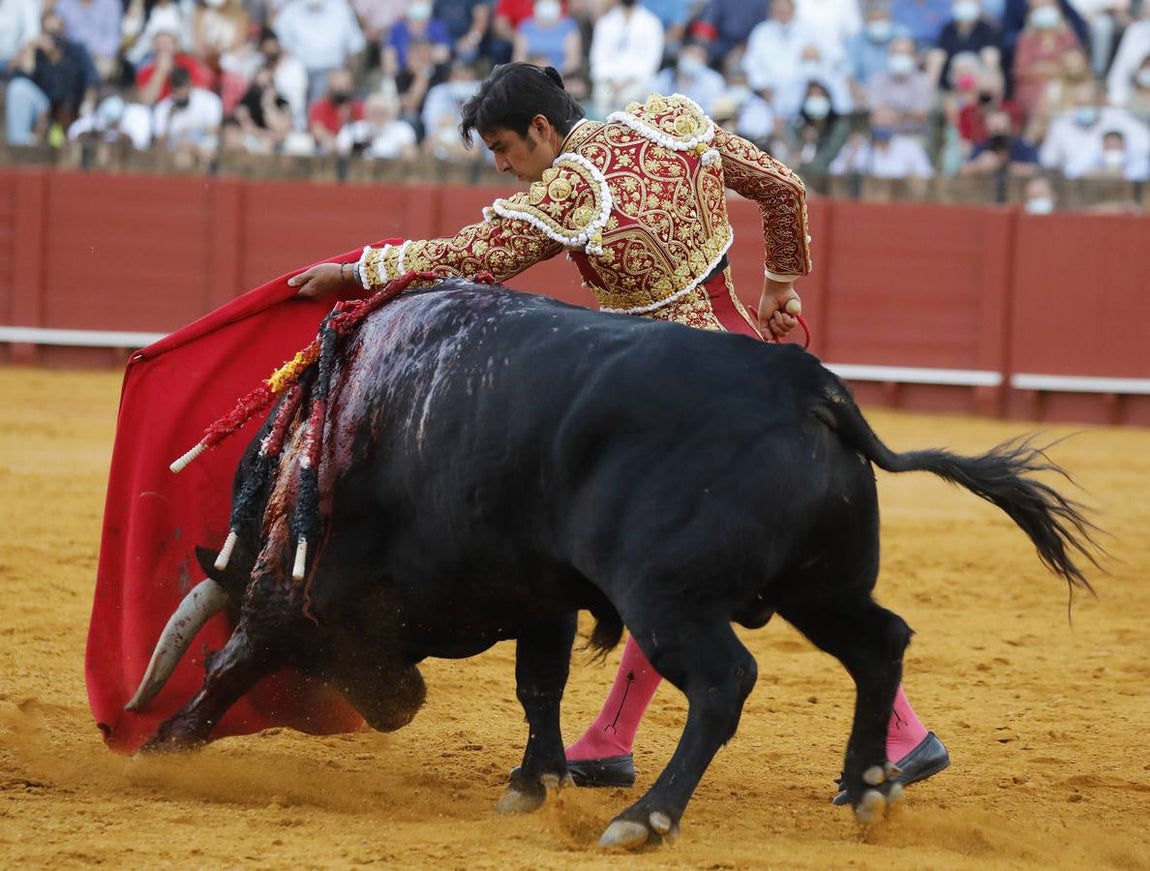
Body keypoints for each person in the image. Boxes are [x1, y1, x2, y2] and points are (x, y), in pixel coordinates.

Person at [287, 62, 951, 800]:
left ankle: (900, 728)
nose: (504, 168)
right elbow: (784, 188)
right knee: (685, 569)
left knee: (664, 567)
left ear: (543, 128)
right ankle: (612, 737)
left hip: (679, 406)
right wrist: (779, 284)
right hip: (753, 362)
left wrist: (359, 272)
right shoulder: (669, 119)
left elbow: (468, 258)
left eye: (506, 148)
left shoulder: (572, 189)